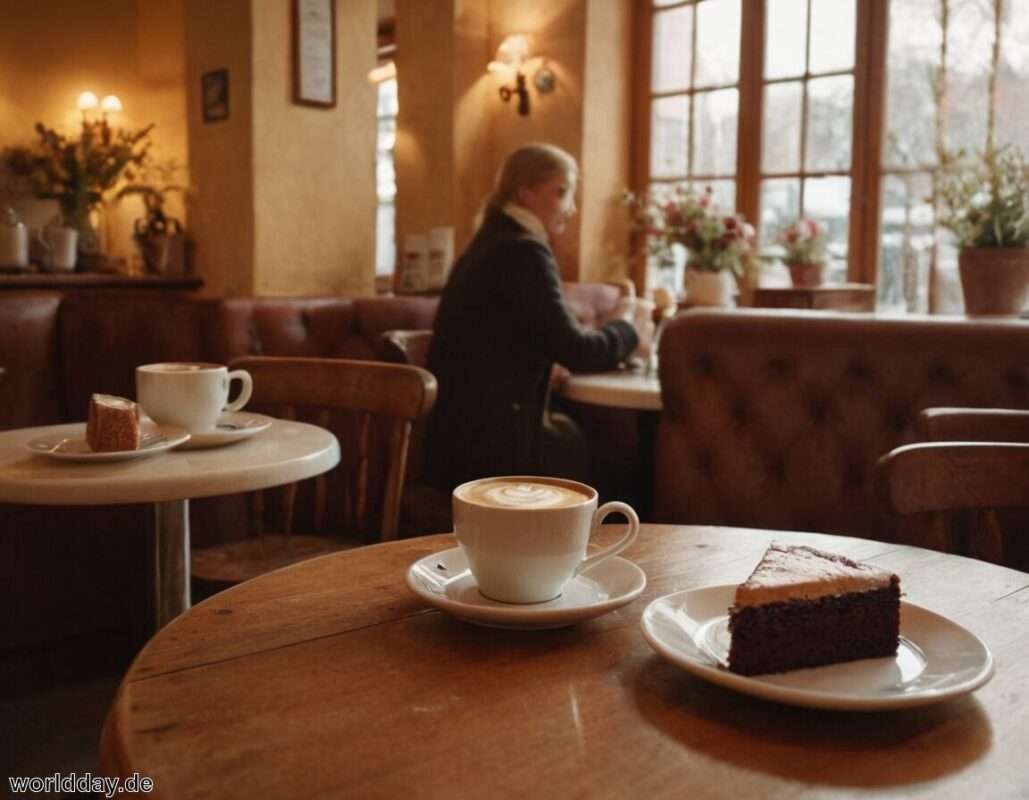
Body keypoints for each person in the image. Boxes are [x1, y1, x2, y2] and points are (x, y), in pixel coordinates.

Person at [425, 142, 652, 493]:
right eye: (561, 193)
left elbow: (509, 343)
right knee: (623, 472)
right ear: (526, 193)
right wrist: (627, 325)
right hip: (492, 446)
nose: (572, 208)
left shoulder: (493, 241)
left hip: (460, 436)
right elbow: (578, 350)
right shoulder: (522, 251)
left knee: (599, 452)